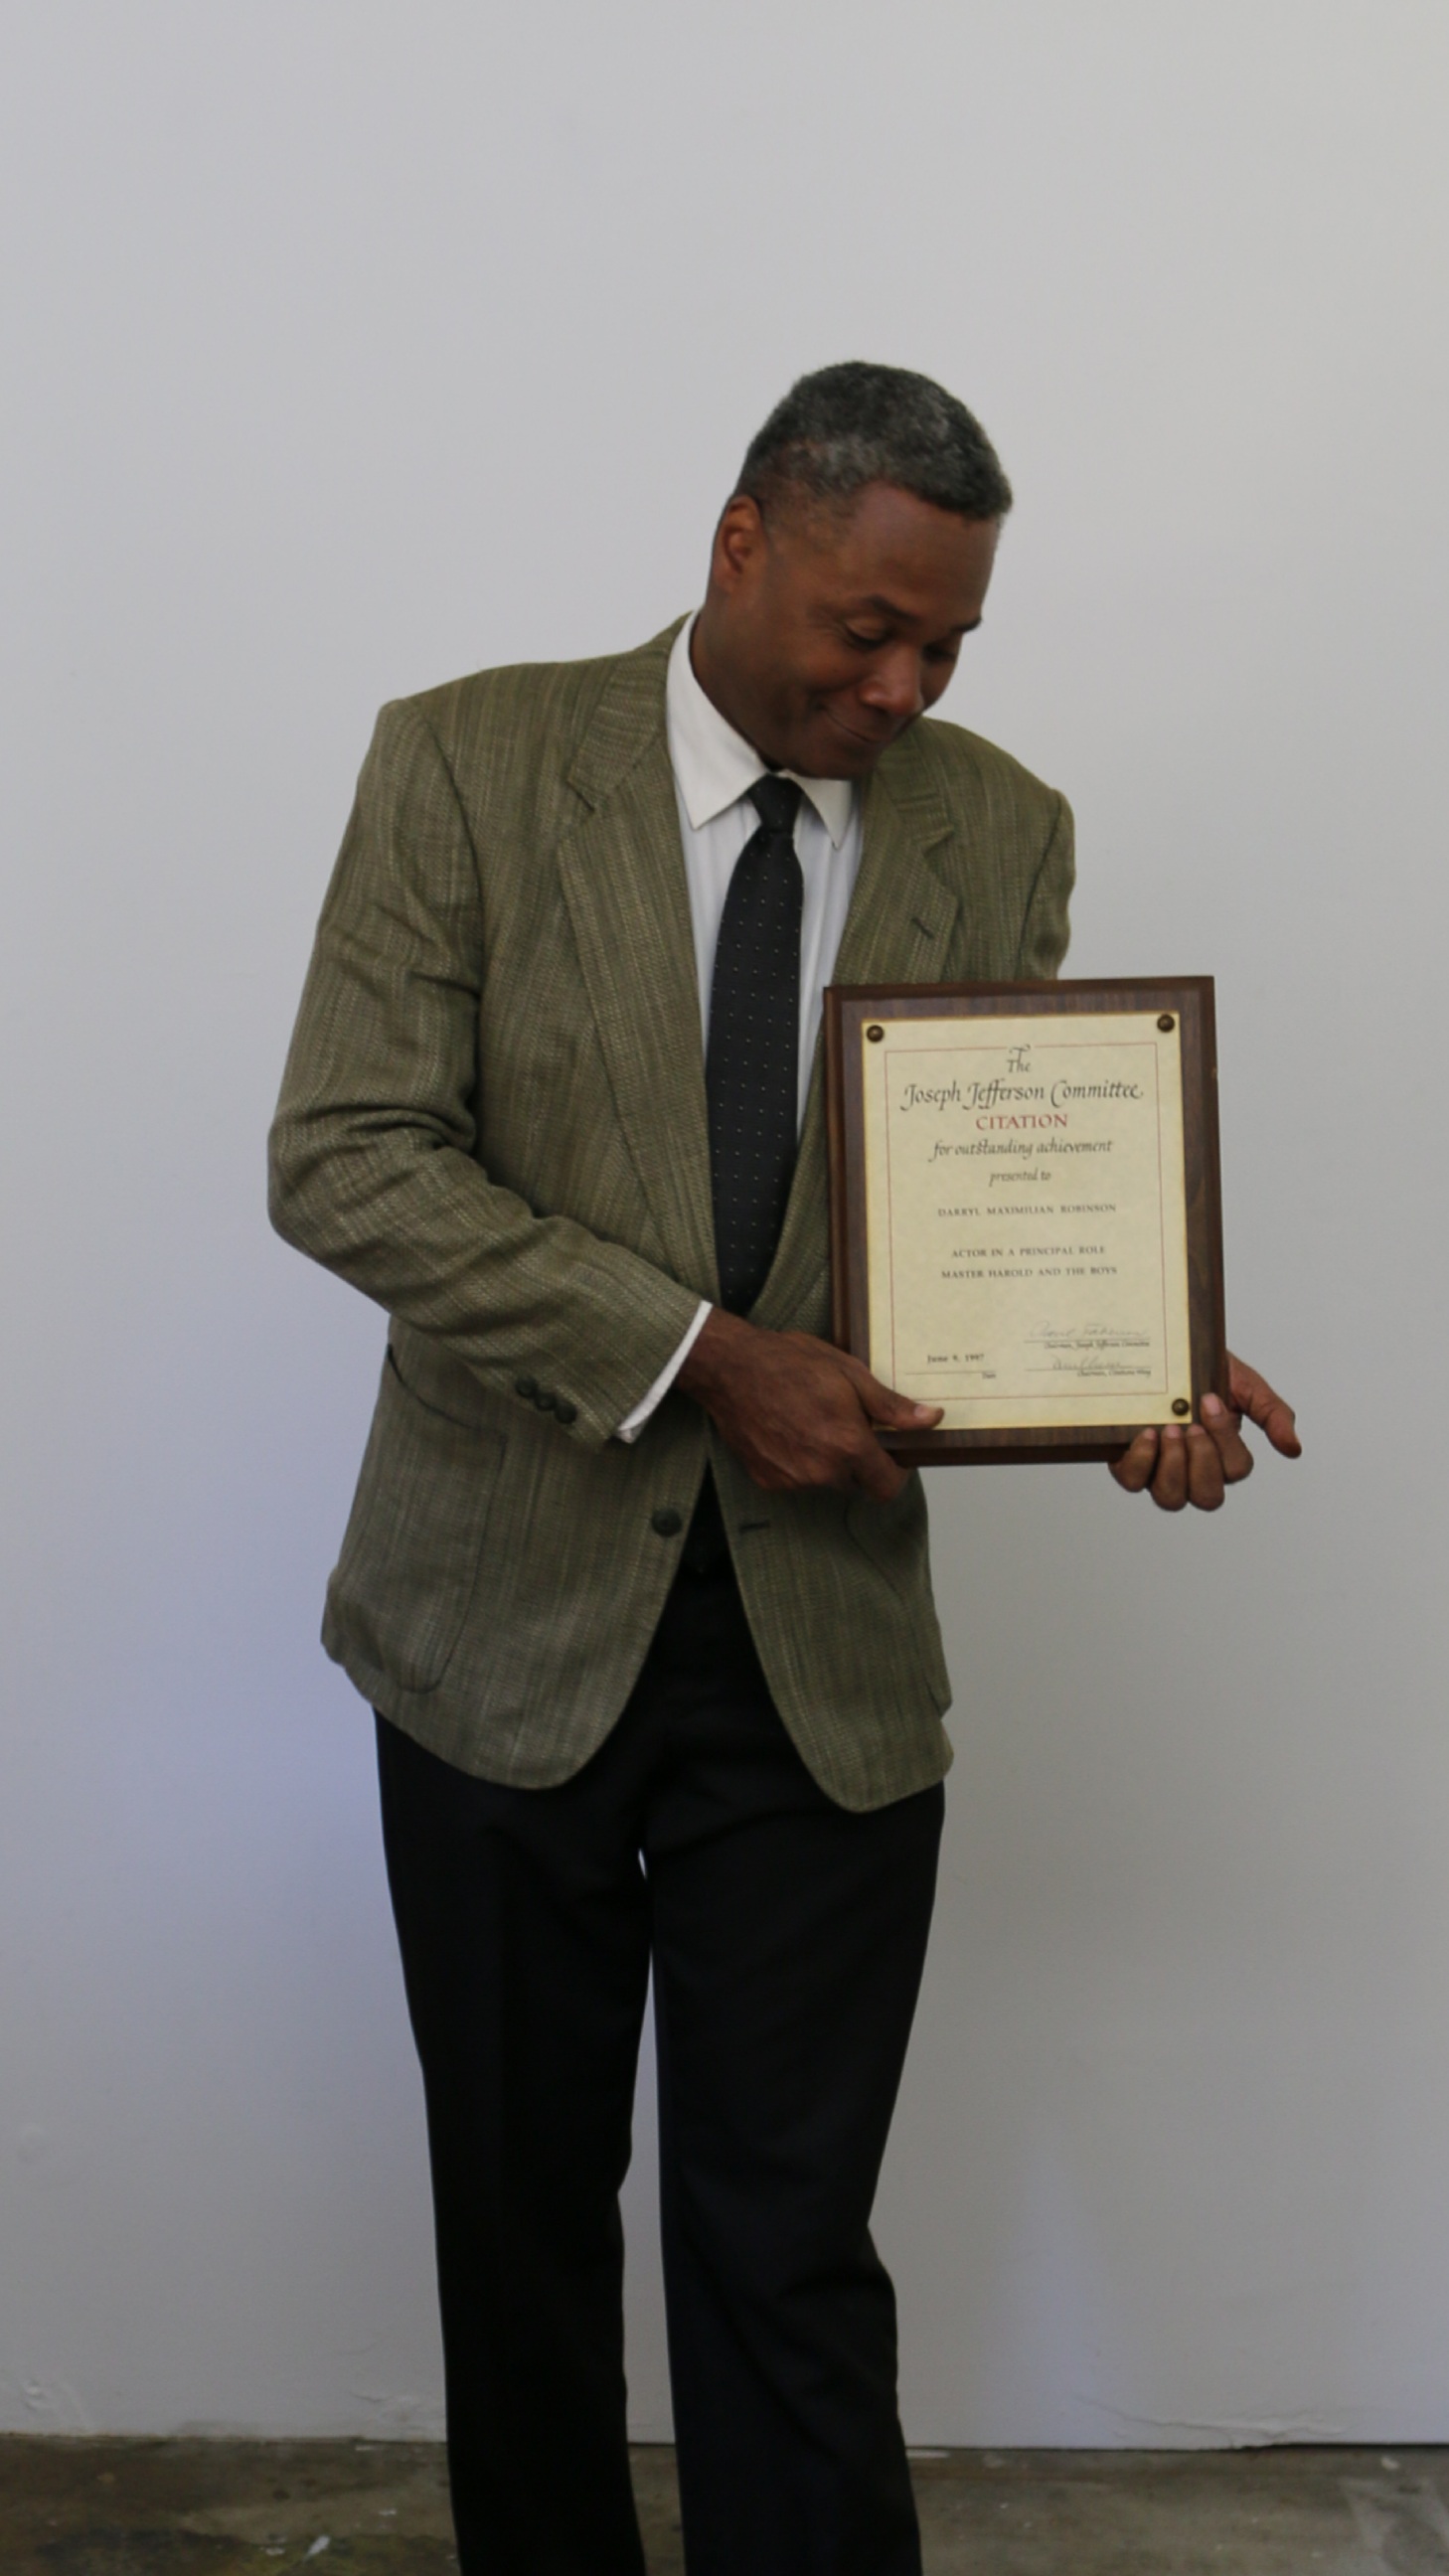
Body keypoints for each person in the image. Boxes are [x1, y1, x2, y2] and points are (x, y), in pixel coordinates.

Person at [268, 362, 1300, 2576]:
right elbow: (347, 1163)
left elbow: (980, 1206)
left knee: (788, 2250)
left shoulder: (998, 823)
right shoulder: (462, 761)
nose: (906, 685)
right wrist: (697, 1355)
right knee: (522, 2238)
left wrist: (1124, 1350)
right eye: (867, 629)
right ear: (742, 539)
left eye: (949, 647)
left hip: (818, 1660)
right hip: (493, 1633)